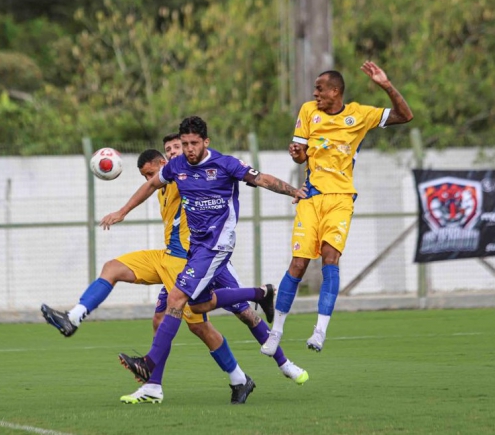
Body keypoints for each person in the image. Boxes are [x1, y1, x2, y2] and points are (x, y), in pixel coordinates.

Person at [42, 139, 306, 405]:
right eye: (167, 149)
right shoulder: (163, 183)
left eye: (175, 151)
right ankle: (75, 319)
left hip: (192, 262)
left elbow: (224, 177)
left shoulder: (186, 177)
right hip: (167, 257)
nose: (170, 156)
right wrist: (122, 211)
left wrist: (291, 189)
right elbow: (149, 186)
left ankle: (258, 367)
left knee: (214, 322)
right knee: (115, 271)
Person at [261, 61, 414, 356]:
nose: (315, 93)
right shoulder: (308, 112)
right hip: (311, 197)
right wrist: (297, 153)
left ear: (335, 91)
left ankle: (320, 331)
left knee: (331, 258)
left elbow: (405, 115)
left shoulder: (359, 115)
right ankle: (276, 332)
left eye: (320, 89)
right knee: (298, 264)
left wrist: (385, 84)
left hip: (341, 198)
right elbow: (300, 155)